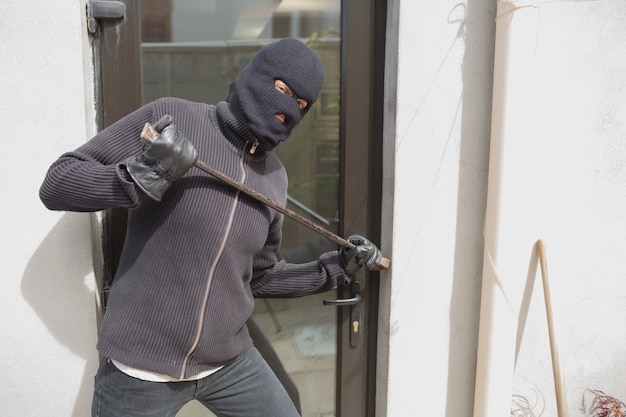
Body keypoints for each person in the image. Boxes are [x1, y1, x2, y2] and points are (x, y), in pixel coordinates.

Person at [39, 37, 381, 417]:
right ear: (257, 76)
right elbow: (58, 183)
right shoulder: (175, 117)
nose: (289, 112)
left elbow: (261, 277)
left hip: (229, 362)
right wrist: (141, 176)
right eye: (283, 90)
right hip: (140, 369)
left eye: (302, 105)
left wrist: (335, 268)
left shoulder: (273, 177)